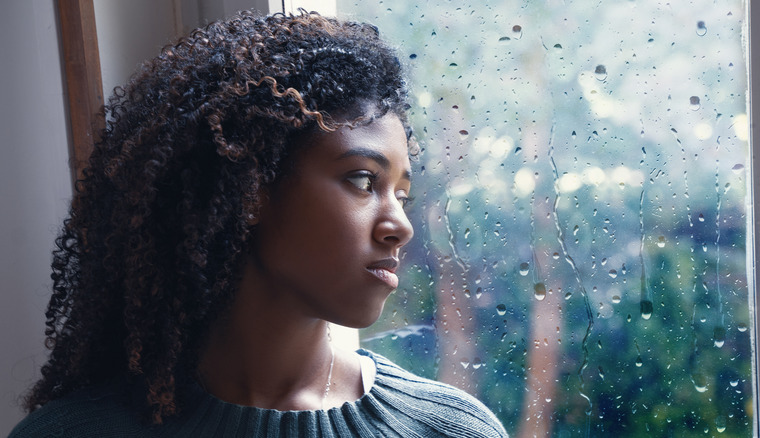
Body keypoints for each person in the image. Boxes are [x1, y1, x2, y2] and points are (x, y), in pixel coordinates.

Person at [10, 11, 508, 437]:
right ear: (251, 188)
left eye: (401, 194)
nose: (399, 226)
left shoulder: (450, 428)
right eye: (362, 180)